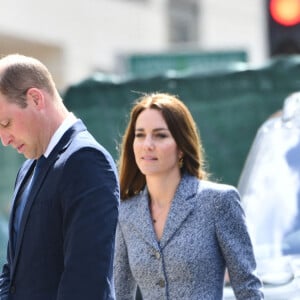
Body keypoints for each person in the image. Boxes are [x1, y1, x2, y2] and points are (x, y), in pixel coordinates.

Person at [114, 93, 264, 300]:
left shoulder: (218, 202)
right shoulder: (125, 213)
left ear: (182, 147)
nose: (147, 144)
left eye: (160, 135)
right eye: (140, 135)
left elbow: (248, 289)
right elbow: (119, 293)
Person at [0, 54, 119, 300]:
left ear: (35, 98)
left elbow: (86, 283)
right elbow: (12, 271)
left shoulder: (86, 160)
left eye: (6, 122)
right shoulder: (28, 168)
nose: (4, 139)